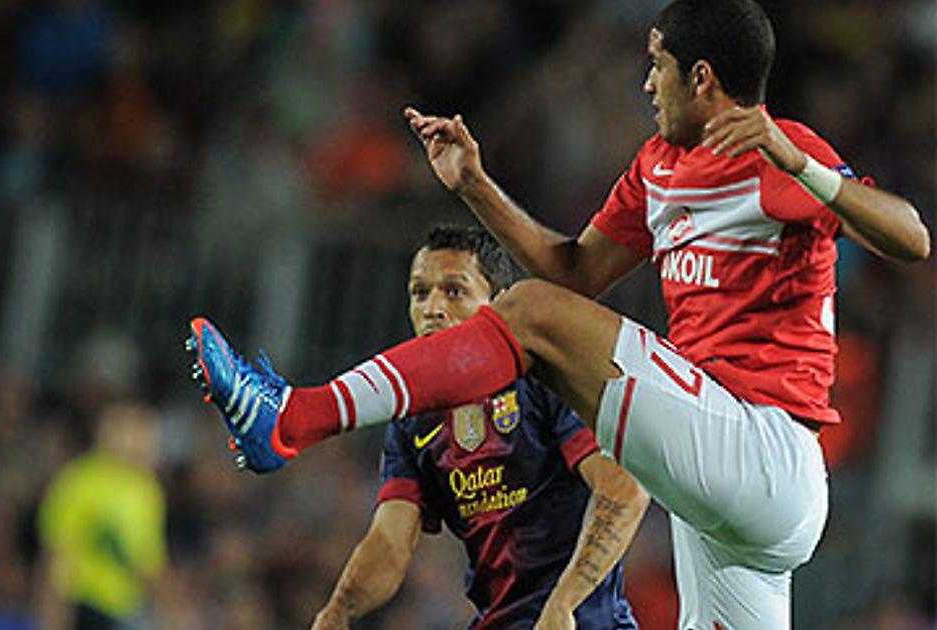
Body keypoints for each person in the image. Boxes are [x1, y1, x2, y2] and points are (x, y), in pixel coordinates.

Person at [186, 0, 930, 627]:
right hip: (720, 494)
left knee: (528, 312)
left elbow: (912, 237)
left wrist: (804, 168)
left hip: (764, 451)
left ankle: (291, 417)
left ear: (701, 77)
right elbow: (575, 271)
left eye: (657, 65)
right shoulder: (659, 167)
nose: (647, 83)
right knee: (536, 307)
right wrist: (476, 187)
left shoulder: (777, 153)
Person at [310, 225, 647, 629]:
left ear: (500, 304)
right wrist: (338, 612)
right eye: (420, 293)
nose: (433, 309)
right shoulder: (412, 419)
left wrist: (564, 604)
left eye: (454, 291)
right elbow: (391, 540)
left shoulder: (546, 380)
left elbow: (624, 488)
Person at [37, 402, 167, 630]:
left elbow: (148, 562)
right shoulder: (79, 482)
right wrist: (54, 617)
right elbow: (57, 557)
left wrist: (170, 612)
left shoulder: (147, 490)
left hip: (126, 608)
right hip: (84, 605)